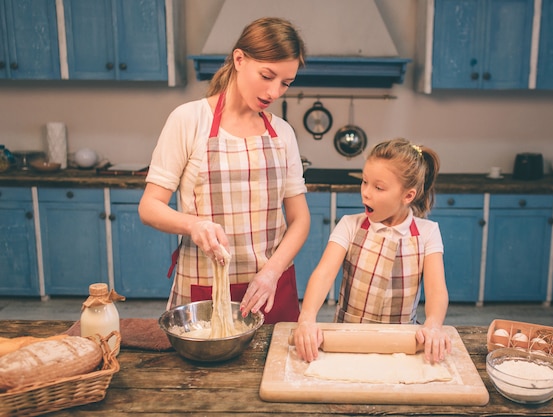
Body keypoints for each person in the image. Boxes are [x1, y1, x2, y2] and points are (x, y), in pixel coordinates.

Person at [138, 17, 310, 324]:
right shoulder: (189, 120)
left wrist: (272, 271)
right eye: (267, 76)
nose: (274, 92)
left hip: (270, 287)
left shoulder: (282, 133)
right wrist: (194, 225)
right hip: (204, 284)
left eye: (285, 83)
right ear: (239, 59)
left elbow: (300, 219)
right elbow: (150, 207)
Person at [293, 138, 451, 363]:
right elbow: (324, 274)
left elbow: (437, 290)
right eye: (364, 182)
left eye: (378, 187)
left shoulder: (427, 233)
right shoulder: (350, 225)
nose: (366, 193)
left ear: (408, 195)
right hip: (348, 340)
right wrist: (307, 318)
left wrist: (434, 324)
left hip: (403, 344)